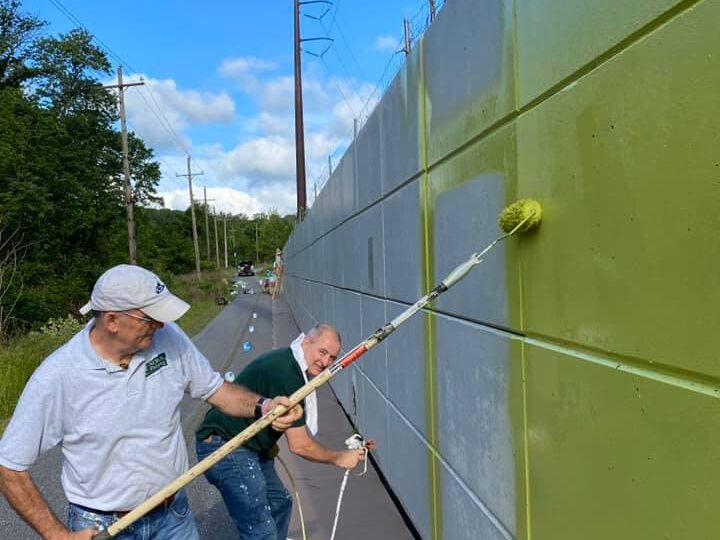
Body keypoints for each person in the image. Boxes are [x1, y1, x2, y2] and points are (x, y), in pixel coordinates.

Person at [0, 264, 301, 540]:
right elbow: (9, 466)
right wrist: (56, 535)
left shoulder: (168, 337)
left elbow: (217, 390)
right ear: (112, 320)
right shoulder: (57, 377)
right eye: (149, 318)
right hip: (103, 527)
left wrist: (263, 407)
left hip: (173, 514)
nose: (159, 325)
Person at [195, 324, 368, 540]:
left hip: (249, 445)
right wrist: (339, 457)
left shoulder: (293, 364)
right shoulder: (288, 374)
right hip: (225, 446)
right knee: (260, 528)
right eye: (322, 352)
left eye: (332, 358)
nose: (325, 363)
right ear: (306, 343)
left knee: (279, 502)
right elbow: (300, 445)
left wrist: (267, 442)